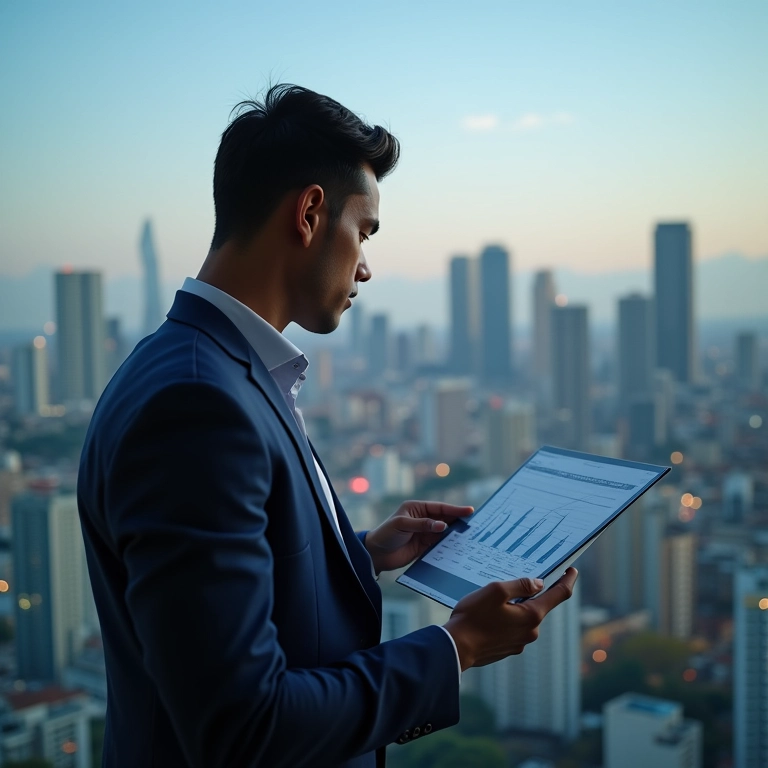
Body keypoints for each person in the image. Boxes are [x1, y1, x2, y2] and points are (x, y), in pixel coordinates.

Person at [77, 84, 578, 768]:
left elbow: (225, 602)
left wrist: (355, 553)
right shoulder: (198, 404)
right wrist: (454, 648)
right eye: (365, 230)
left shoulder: (209, 366)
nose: (367, 266)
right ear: (311, 212)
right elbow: (244, 729)